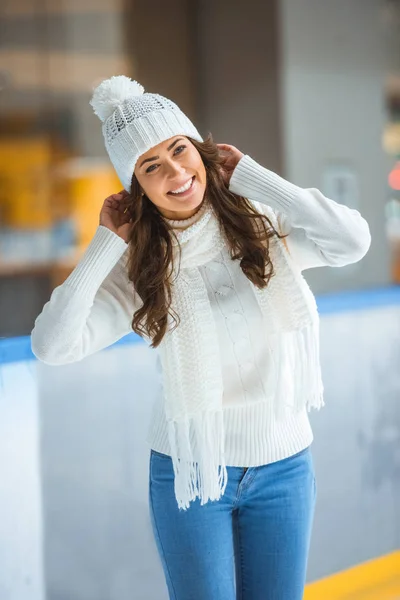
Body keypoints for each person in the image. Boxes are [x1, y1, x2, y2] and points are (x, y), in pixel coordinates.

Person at [31, 75, 371, 600]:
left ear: (201, 149)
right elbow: (52, 347)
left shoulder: (264, 228)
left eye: (179, 149)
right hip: (189, 473)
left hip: (283, 463)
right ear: (135, 186)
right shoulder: (139, 268)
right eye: (150, 166)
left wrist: (256, 179)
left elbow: (352, 241)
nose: (174, 171)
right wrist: (104, 245)